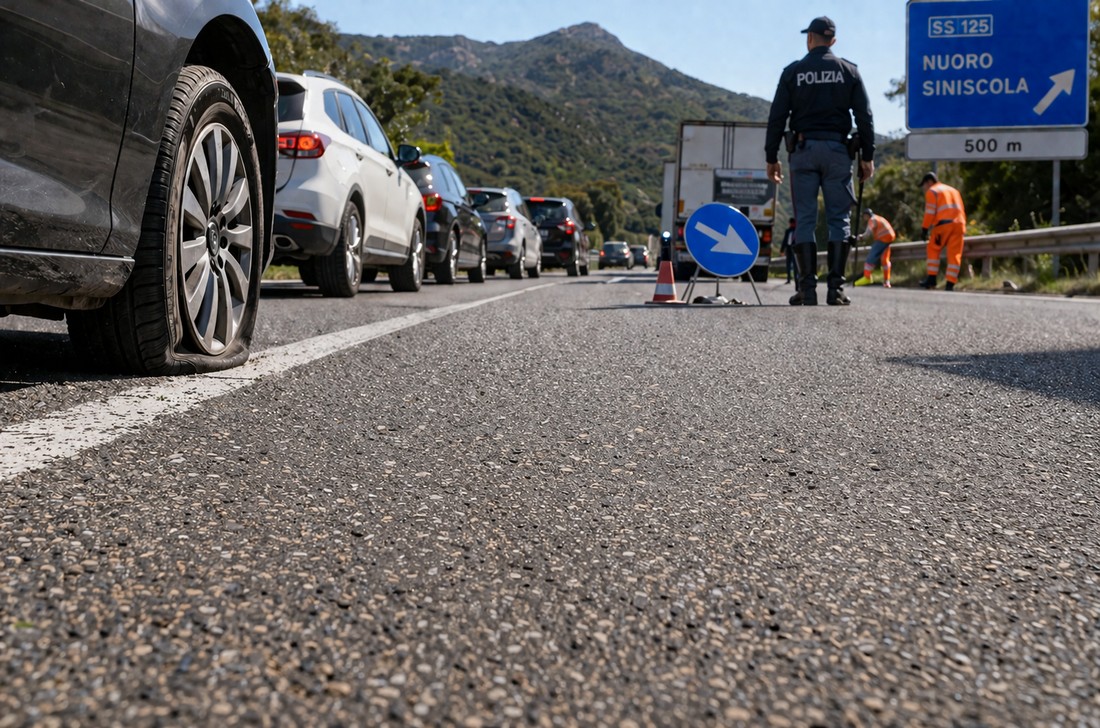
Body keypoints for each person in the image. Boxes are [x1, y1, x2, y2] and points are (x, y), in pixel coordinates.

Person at [765, 15, 875, 306]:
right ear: (833, 41)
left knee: (805, 219)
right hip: (838, 151)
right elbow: (864, 116)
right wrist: (869, 157)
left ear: (810, 39)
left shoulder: (793, 72)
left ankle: (807, 289)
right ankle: (835, 290)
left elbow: (777, 117)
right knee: (839, 219)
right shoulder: (848, 71)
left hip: (803, 151)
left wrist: (771, 157)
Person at [918, 172, 966, 291]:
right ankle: (950, 284)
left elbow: (930, 212)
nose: (924, 189)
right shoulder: (954, 191)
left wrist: (924, 228)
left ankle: (932, 279)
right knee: (955, 254)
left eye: (923, 185)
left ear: (929, 182)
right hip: (959, 224)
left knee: (933, 248)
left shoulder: (933, 191)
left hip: (943, 225)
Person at [853, 208, 896, 288]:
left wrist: (859, 238)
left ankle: (867, 277)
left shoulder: (872, 220)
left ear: (867, 215)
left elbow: (868, 233)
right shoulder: (878, 217)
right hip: (889, 238)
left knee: (870, 258)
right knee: (885, 260)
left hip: (882, 239)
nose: (864, 218)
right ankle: (887, 282)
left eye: (864, 216)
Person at [781, 217, 797, 284]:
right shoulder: (788, 231)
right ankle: (788, 279)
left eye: (792, 223)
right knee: (788, 264)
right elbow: (785, 240)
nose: (791, 224)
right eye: (790, 223)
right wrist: (782, 250)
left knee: (795, 264)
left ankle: (796, 279)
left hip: (795, 249)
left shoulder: (797, 231)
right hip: (788, 249)